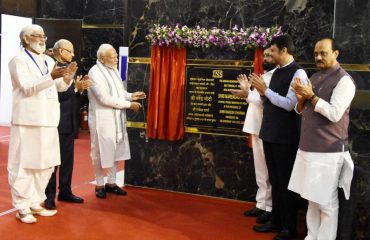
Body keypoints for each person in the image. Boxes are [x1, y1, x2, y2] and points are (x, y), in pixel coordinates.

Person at [8, 24, 76, 223]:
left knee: (46, 165)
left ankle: (35, 202)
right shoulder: (18, 60)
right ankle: (22, 206)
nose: (41, 39)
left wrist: (68, 79)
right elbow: (27, 88)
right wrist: (51, 76)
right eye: (36, 36)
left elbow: (58, 88)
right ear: (25, 39)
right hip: (28, 122)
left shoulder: (47, 60)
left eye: (43, 36)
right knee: (24, 166)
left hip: (49, 121)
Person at [289, 37, 356, 240]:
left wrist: (310, 97)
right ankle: (312, 236)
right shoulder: (316, 77)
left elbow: (335, 113)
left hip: (328, 152)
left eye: (323, 53)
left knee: (326, 203)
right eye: (316, 53)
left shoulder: (344, 80)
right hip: (307, 148)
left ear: (335, 54)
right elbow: (302, 111)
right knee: (311, 198)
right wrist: (301, 100)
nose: (318, 57)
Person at [249, 35, 308, 240]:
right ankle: (275, 220)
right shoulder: (277, 72)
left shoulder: (298, 72)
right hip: (271, 132)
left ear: (283, 50)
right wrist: (263, 93)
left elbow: (289, 104)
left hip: (286, 137)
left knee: (285, 182)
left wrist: (266, 90)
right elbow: (271, 102)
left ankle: (289, 228)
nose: (270, 54)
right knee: (274, 180)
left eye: (272, 50)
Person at [87, 44, 146, 198]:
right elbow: (103, 98)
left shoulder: (113, 70)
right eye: (112, 56)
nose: (116, 59)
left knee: (115, 151)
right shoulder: (94, 72)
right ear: (102, 58)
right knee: (100, 153)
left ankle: (111, 182)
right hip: (103, 120)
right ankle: (99, 184)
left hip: (117, 118)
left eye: (116, 56)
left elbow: (119, 92)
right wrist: (129, 104)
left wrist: (131, 96)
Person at [230, 46, 276, 224]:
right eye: (264, 55)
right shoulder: (263, 77)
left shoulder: (275, 77)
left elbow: (265, 101)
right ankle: (262, 203)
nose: (266, 58)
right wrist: (248, 90)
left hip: (267, 128)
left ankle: (270, 207)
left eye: (270, 55)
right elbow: (257, 99)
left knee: (268, 170)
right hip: (257, 127)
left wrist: (247, 93)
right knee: (260, 170)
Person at [44, 39, 92, 210]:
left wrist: (80, 89)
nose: (73, 55)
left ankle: (65, 191)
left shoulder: (69, 68)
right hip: (56, 122)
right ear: (61, 50)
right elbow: (57, 97)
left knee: (67, 161)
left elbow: (72, 99)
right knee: (53, 162)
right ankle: (49, 196)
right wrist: (75, 88)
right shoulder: (51, 69)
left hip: (70, 121)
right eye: (70, 51)